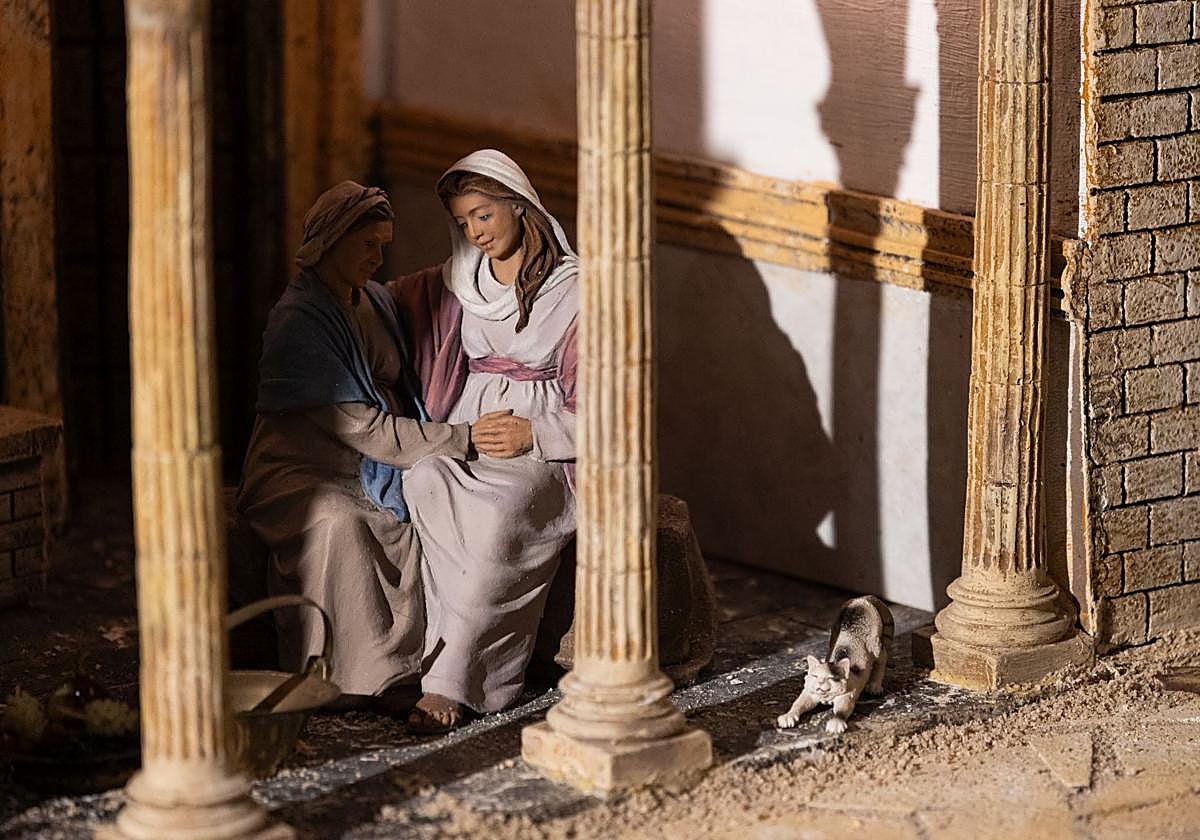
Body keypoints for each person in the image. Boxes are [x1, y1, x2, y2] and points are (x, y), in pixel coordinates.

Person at [236, 182, 472, 711]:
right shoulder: (299, 320)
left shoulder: (372, 301)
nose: (377, 255)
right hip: (298, 468)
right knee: (340, 524)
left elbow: (428, 292)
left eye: (383, 246)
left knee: (413, 517)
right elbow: (357, 425)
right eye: (367, 243)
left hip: (365, 464)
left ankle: (393, 671)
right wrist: (456, 439)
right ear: (332, 240)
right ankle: (336, 677)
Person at [389, 149, 579, 733]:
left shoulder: (577, 291)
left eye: (484, 216)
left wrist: (537, 432)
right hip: (467, 431)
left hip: (541, 442)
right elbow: (380, 302)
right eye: (464, 221)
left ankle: (457, 684)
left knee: (501, 517)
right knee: (423, 477)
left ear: (520, 207)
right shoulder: (459, 280)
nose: (475, 232)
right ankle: (446, 663)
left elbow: (618, 404)